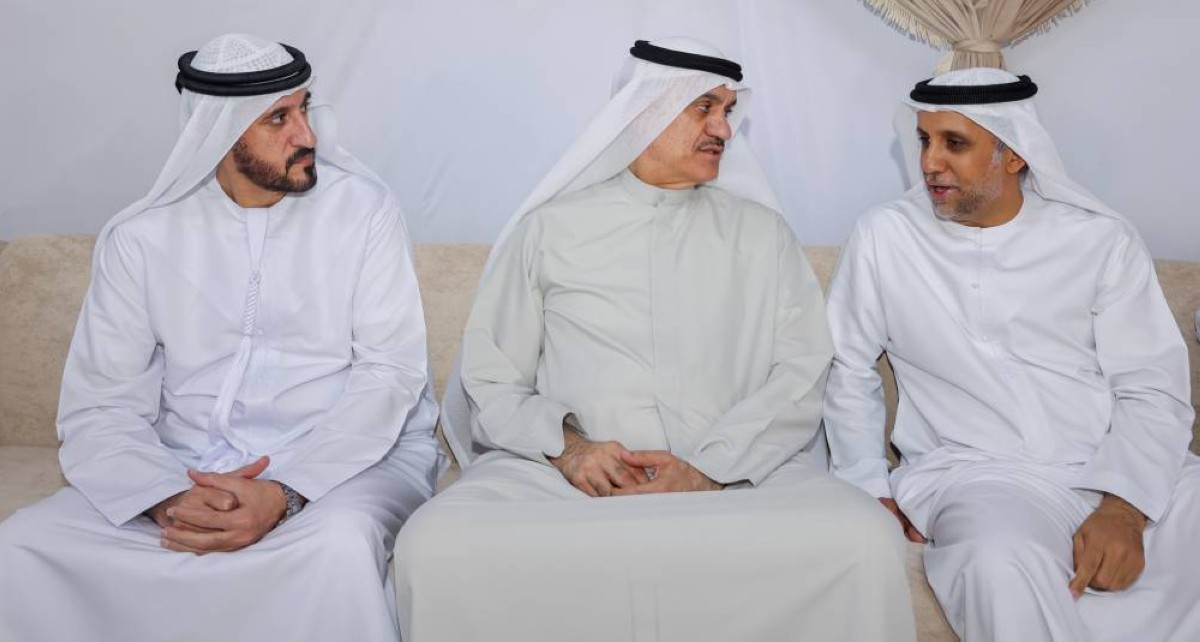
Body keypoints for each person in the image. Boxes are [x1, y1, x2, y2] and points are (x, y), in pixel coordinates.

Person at [395, 38, 915, 642]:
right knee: (433, 545)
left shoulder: (762, 234)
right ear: (644, 111)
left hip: (736, 477)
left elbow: (802, 373)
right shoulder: (550, 230)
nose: (724, 128)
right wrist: (571, 450)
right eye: (704, 108)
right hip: (565, 481)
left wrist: (708, 470)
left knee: (864, 539)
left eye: (728, 111)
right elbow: (491, 377)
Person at [0, 33, 440, 641]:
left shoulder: (363, 212)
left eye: (305, 109)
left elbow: (390, 374)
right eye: (278, 119)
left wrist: (285, 492)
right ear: (220, 132)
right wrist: (164, 497)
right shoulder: (142, 238)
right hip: (180, 467)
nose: (307, 135)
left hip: (344, 464)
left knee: (336, 551)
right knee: (23, 545)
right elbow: (101, 403)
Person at [824, 67, 1199, 642]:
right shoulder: (886, 236)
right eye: (924, 140)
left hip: (1116, 466)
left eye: (954, 143)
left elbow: (1151, 385)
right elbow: (847, 368)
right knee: (994, 560)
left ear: (1015, 153)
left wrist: (1124, 507)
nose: (929, 162)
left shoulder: (1099, 240)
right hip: (979, 474)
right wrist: (868, 487)